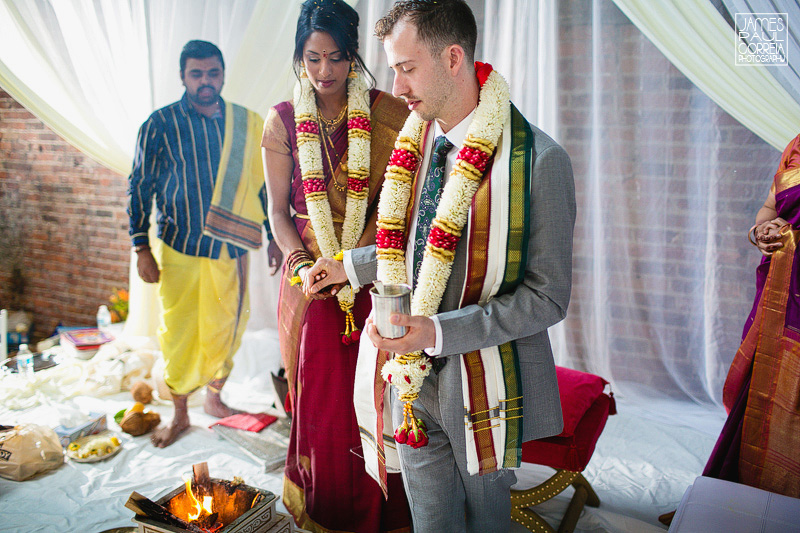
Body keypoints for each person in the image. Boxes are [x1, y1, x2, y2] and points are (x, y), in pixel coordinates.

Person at [305, 1, 576, 530]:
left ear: (453, 57)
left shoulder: (539, 162)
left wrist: (436, 331)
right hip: (410, 380)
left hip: (485, 382)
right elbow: (413, 244)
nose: (398, 87)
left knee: (486, 523)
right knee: (430, 521)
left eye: (407, 69)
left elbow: (548, 298)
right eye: (394, 70)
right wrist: (351, 267)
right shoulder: (419, 141)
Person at [261, 1, 411, 531]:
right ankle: (327, 510)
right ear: (299, 58)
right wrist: (302, 263)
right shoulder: (281, 121)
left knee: (381, 395)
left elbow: (408, 210)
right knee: (325, 401)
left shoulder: (391, 114)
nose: (324, 71)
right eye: (312, 58)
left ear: (355, 57)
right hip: (311, 285)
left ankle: (385, 513)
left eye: (337, 57)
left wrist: (355, 262)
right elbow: (279, 212)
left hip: (375, 277)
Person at [127, 40, 281, 448]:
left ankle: (214, 399)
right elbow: (140, 186)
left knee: (228, 327)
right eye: (197, 74)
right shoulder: (159, 124)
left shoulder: (245, 124)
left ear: (223, 74)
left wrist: (275, 237)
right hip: (180, 245)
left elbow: (262, 186)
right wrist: (141, 246)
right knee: (178, 330)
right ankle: (179, 412)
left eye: (213, 73)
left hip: (231, 249)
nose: (206, 81)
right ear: (183, 77)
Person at [702, 133, 800, 497]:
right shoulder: (798, 145)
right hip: (781, 299)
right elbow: (770, 208)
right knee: (764, 390)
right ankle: (746, 501)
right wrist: (763, 230)